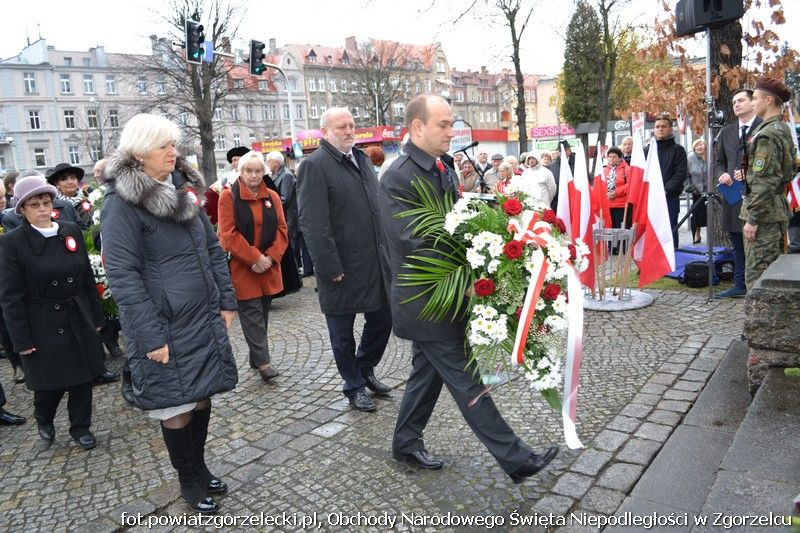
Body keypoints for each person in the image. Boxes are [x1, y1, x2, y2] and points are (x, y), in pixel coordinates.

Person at [378, 94, 558, 480]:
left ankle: (406, 441)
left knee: (427, 375)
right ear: (417, 128)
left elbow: (457, 219)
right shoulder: (397, 176)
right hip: (427, 300)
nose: (451, 131)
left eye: (452, 123)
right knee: (466, 380)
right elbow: (414, 240)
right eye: (443, 124)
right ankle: (516, 458)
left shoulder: (441, 166)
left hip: (448, 294)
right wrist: (473, 263)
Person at [101, 114, 238, 514]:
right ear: (141, 152)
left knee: (200, 398)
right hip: (164, 326)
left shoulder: (181, 192)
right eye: (165, 146)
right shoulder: (121, 205)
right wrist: (149, 337)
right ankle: (188, 479)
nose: (173, 152)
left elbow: (211, 249)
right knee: (176, 407)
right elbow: (122, 277)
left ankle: (200, 466)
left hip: (201, 318)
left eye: (173, 145)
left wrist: (227, 300)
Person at [0, 174, 106, 450]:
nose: (43, 209)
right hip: (41, 321)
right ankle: (43, 416)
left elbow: (85, 280)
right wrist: (20, 340)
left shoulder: (69, 230)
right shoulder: (12, 243)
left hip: (76, 313)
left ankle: (80, 427)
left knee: (83, 376)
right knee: (51, 384)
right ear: (22, 209)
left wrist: (96, 318)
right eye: (34, 204)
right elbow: (10, 298)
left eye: (46, 202)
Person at [297, 107, 393, 413]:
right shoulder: (315, 165)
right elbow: (312, 222)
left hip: (373, 263)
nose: (350, 130)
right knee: (342, 334)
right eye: (342, 126)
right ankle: (353, 386)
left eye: (352, 125)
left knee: (383, 319)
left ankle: (364, 369)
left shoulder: (363, 160)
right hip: (339, 268)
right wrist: (328, 267)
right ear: (325, 131)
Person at [218, 151, 287, 382]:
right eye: (248, 170)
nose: (254, 175)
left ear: (264, 172)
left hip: (268, 267)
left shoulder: (273, 197)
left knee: (263, 312)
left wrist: (269, 257)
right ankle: (264, 363)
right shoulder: (228, 197)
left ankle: (255, 356)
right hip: (243, 268)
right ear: (240, 171)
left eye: (258, 171)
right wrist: (254, 258)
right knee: (252, 314)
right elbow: (227, 234)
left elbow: (282, 231)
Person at [740, 77, 797, 289]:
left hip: (764, 215)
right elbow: (788, 171)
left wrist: (753, 218)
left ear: (769, 100)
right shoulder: (782, 129)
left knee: (758, 278)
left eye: (755, 98)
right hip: (775, 209)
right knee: (773, 273)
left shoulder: (767, 135)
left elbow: (764, 181)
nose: (752, 103)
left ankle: (758, 322)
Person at [714, 89, 762, 299]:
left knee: (758, 243)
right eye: (734, 102)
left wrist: (748, 172)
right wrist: (722, 174)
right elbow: (719, 162)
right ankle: (740, 283)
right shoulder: (727, 132)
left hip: (757, 195)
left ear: (753, 103)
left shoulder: (763, 127)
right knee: (737, 242)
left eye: (741, 100)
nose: (736, 105)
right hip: (733, 197)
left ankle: (760, 285)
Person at [645, 114, 687, 249]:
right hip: (650, 198)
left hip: (669, 198)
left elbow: (681, 174)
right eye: (657, 127)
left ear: (670, 129)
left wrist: (665, 190)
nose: (660, 129)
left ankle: (673, 263)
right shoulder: (647, 151)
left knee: (670, 230)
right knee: (651, 231)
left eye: (664, 126)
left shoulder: (678, 150)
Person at [2, 170, 86, 232]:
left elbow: (82, 231)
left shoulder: (66, 206)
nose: (42, 208)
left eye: (42, 185)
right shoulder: (10, 218)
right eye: (34, 204)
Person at [205, 146, 249, 225]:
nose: (232, 163)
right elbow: (212, 191)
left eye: (235, 160)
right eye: (232, 161)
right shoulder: (229, 176)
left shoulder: (253, 176)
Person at [47, 163, 93, 228]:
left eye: (73, 178)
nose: (70, 182)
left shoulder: (90, 198)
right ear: (57, 183)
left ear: (77, 181)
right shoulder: (52, 205)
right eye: (64, 179)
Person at [686, 139, 708, 244]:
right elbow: (685, 175)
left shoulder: (710, 157)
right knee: (696, 214)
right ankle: (696, 235)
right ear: (694, 147)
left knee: (710, 214)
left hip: (710, 191)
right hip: (696, 192)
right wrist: (690, 188)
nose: (699, 147)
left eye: (702, 145)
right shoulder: (690, 158)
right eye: (697, 145)